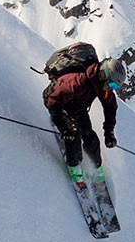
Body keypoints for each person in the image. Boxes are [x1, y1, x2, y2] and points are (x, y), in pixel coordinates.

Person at [41, 41, 118, 169]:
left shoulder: (103, 88)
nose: (111, 89)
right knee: (73, 134)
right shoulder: (78, 81)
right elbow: (52, 100)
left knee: (90, 136)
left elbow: (110, 108)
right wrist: (64, 128)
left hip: (77, 106)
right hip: (58, 103)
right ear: (103, 76)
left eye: (115, 87)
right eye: (111, 85)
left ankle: (96, 167)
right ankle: (74, 167)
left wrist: (109, 132)